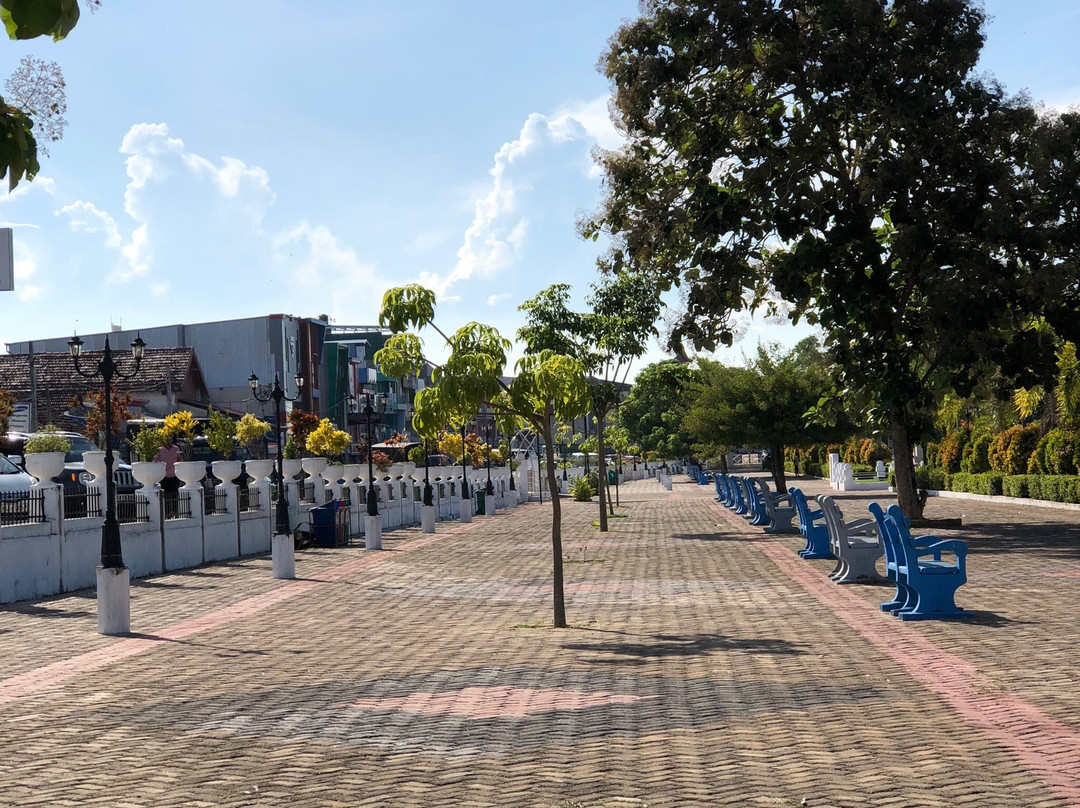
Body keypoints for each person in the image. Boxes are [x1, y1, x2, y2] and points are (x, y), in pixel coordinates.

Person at [155, 437, 182, 518]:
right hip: (164, 476)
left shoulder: (176, 449)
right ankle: (167, 515)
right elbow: (156, 460)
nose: (169, 440)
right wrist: (161, 464)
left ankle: (176, 514)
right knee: (166, 496)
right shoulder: (160, 450)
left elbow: (179, 459)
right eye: (167, 438)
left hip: (174, 475)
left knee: (175, 496)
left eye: (170, 438)